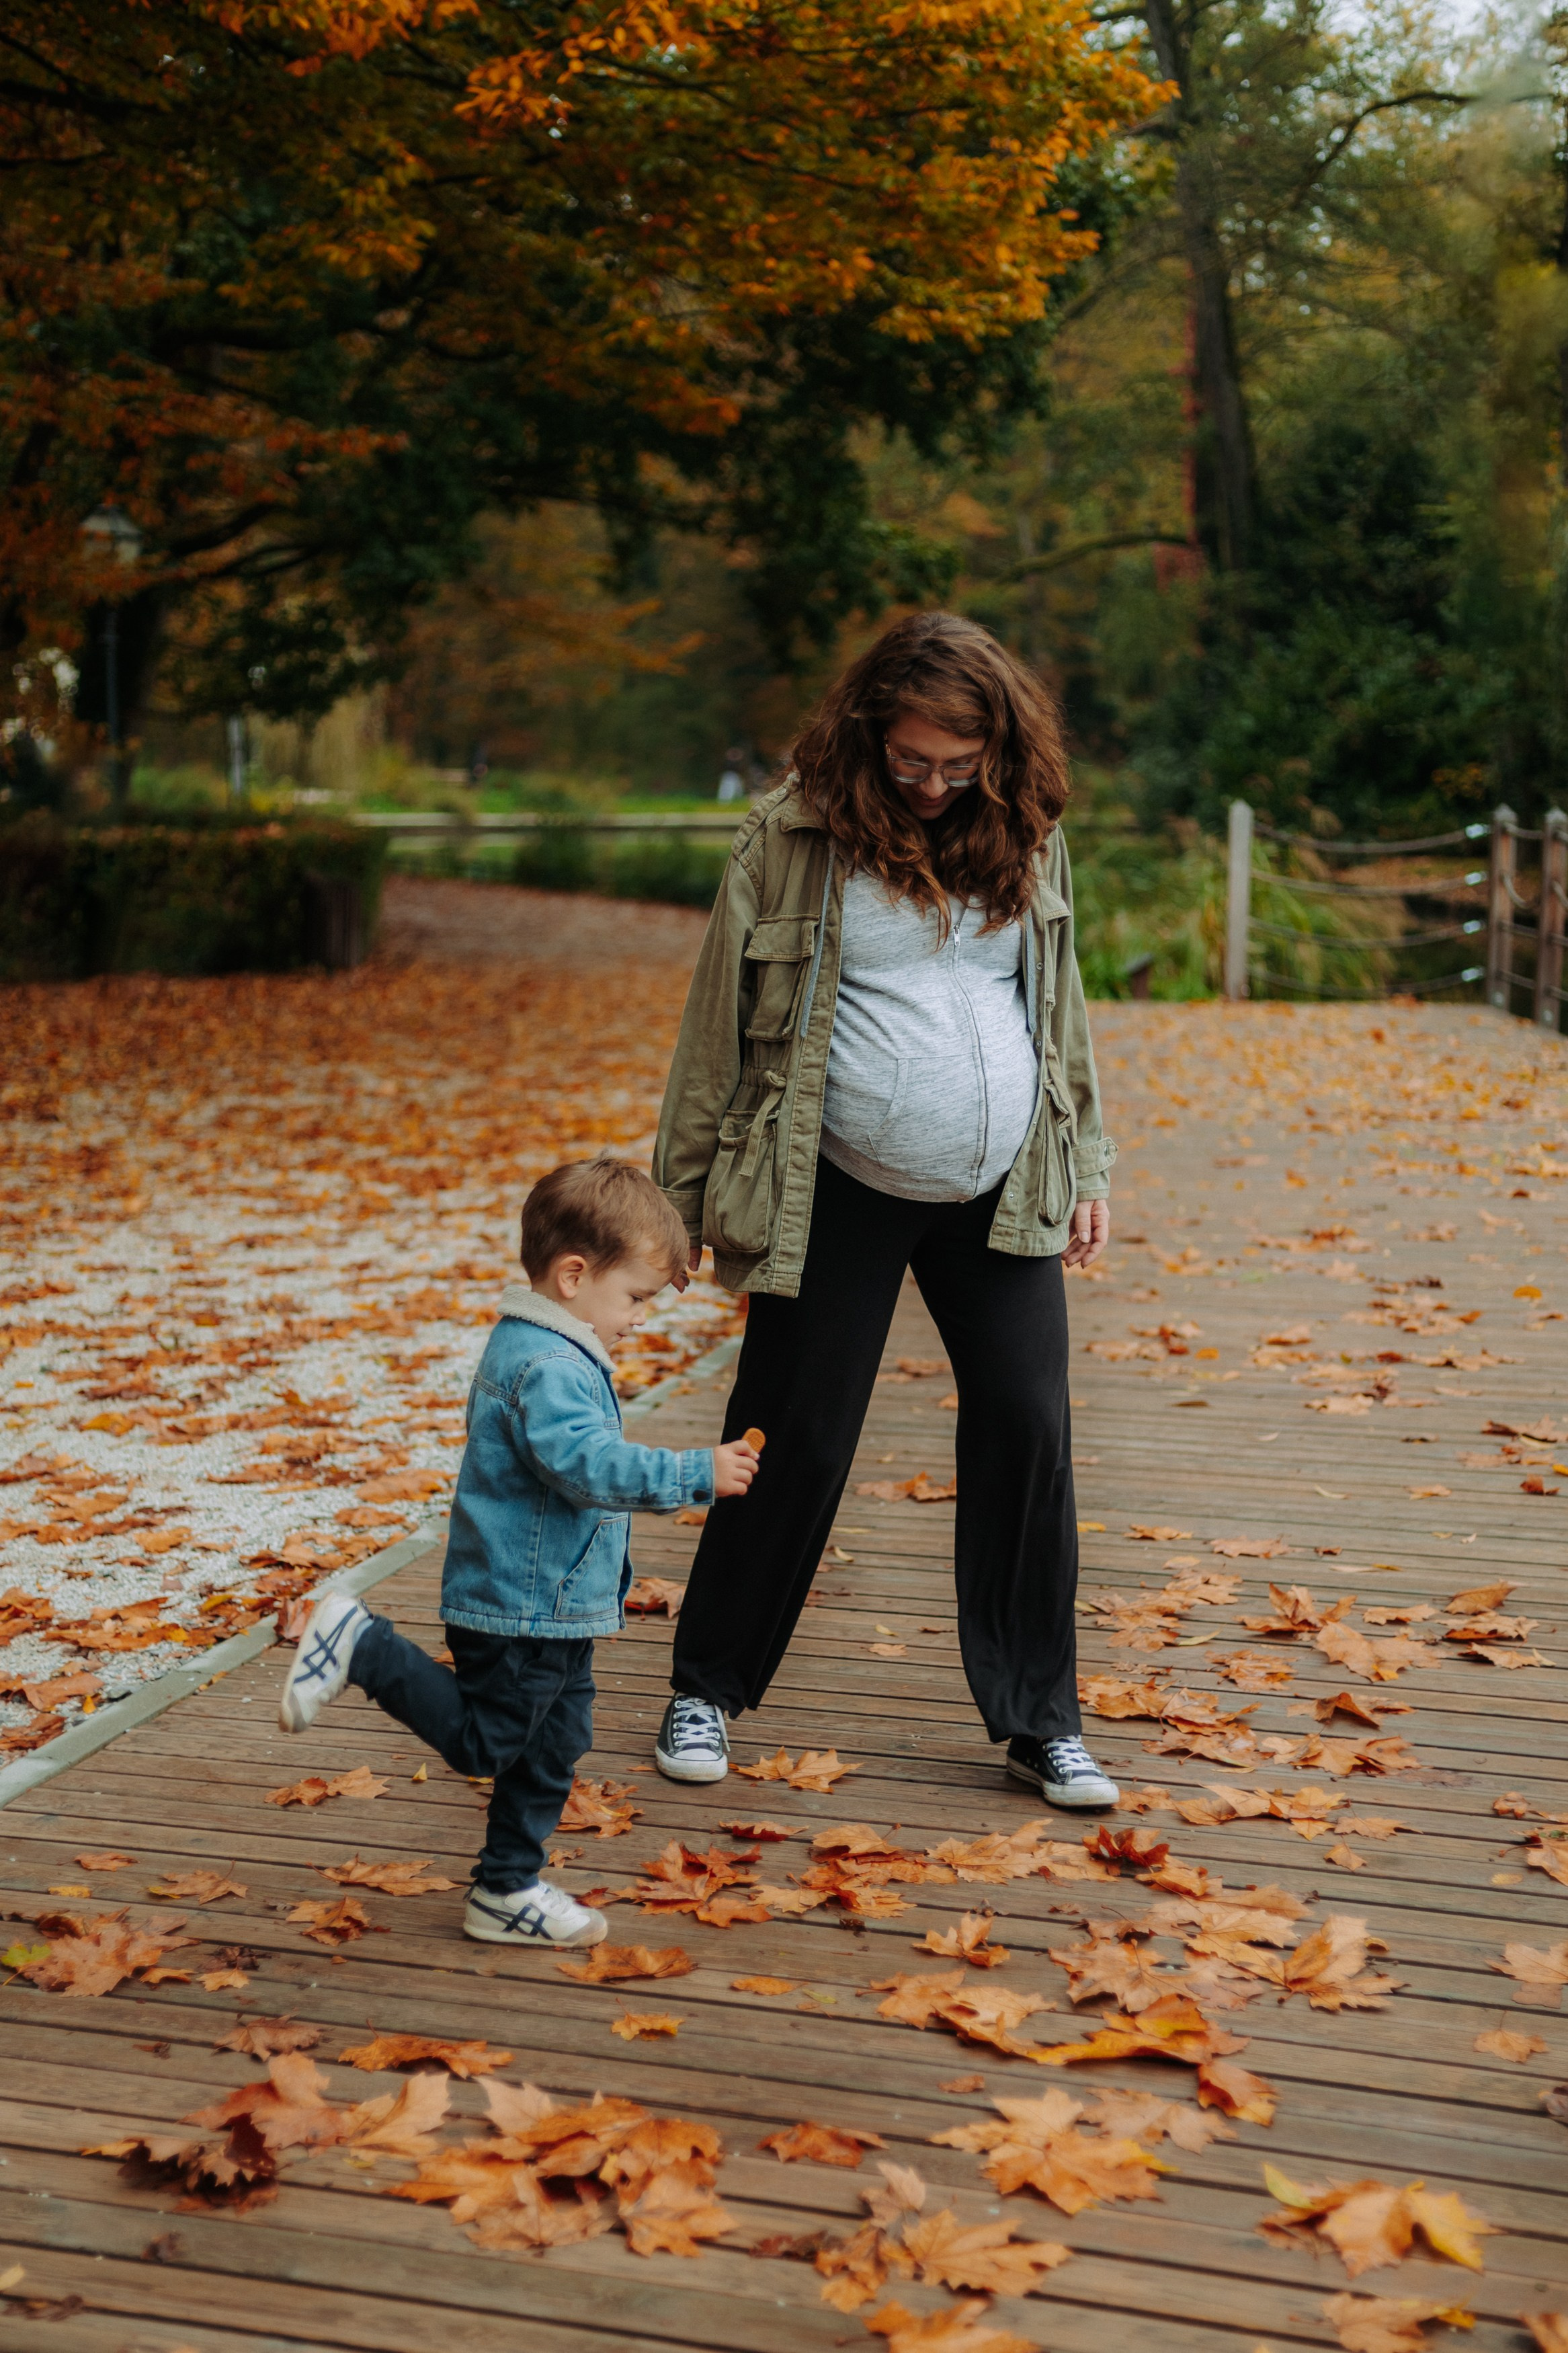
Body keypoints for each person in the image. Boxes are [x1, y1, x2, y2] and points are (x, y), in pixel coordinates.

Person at [649, 611, 1118, 1807]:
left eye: (956, 767)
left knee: (1026, 1426)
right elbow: (715, 1026)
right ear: (868, 732)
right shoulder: (790, 838)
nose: (930, 785)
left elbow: (1054, 1008)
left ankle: (1039, 1720)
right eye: (911, 761)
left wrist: (1088, 1163)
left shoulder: (1024, 833)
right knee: (791, 1436)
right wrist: (680, 1197)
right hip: (836, 1182)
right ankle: (705, 1687)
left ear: (996, 752)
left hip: (998, 1186)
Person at [275, 1158, 759, 1948]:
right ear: (574, 1274)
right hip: (521, 1604)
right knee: (486, 1741)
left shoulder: (547, 1347)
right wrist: (692, 1473)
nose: (637, 1317)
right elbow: (587, 1466)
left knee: (554, 1744)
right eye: (634, 1297)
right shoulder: (548, 1366)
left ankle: (506, 1888)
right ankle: (357, 1641)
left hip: (554, 1606)